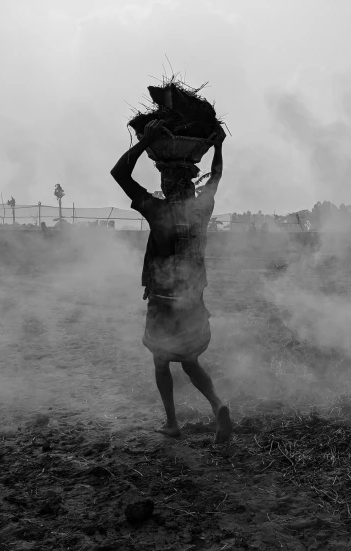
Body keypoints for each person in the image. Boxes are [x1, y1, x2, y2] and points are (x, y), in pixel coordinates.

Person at [110, 119, 232, 443]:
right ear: (191, 186)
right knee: (190, 360)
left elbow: (119, 174)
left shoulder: (158, 211)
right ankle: (218, 405)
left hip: (164, 304)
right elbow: (216, 175)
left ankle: (172, 422)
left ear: (166, 184)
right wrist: (218, 144)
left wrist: (144, 141)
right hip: (192, 301)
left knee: (161, 360)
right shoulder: (201, 209)